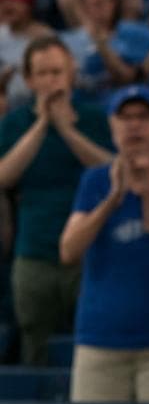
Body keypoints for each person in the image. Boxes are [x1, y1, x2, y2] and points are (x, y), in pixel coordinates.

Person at [59, 85, 149, 402]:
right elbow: (69, 250)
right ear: (112, 127)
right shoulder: (95, 180)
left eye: (144, 117)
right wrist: (111, 200)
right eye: (126, 118)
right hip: (100, 338)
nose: (134, 125)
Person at [0, 37, 114, 364]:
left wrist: (67, 131)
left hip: (87, 255)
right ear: (30, 79)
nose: (53, 80)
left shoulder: (94, 118)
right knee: (35, 345)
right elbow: (4, 175)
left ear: (72, 74)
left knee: (90, 346)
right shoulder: (14, 124)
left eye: (59, 72)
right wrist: (42, 125)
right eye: (44, 73)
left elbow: (110, 171)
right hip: (33, 254)